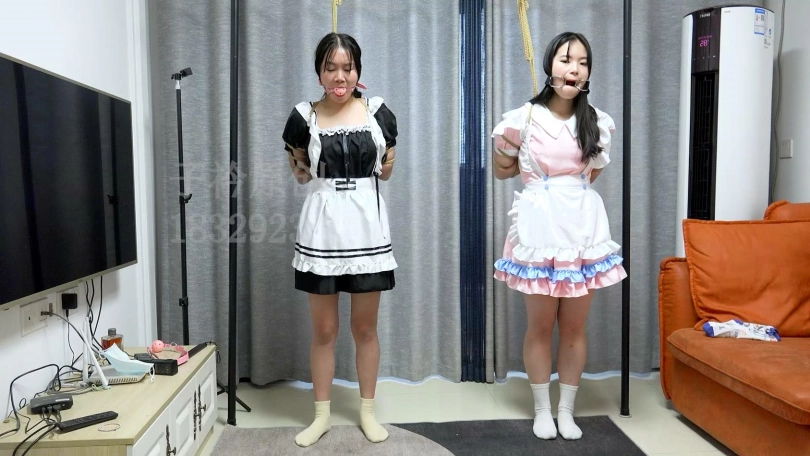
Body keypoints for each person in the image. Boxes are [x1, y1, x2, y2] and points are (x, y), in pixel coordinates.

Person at [491, 32, 627, 440]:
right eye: (567, 60)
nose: (574, 69)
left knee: (573, 327)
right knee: (540, 325)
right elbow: (502, 170)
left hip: (582, 229)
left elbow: (589, 176)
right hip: (539, 229)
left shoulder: (597, 122)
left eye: (583, 62)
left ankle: (566, 410)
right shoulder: (523, 119)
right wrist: (512, 155)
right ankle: (542, 410)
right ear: (550, 64)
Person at [282, 32, 398, 447]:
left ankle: (367, 412)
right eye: (330, 67)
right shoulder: (304, 117)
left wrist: (380, 163)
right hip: (323, 228)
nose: (339, 76)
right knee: (325, 330)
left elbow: (387, 170)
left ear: (358, 71)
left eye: (347, 68)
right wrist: (302, 167)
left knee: (365, 328)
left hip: (367, 228)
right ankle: (322, 417)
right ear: (319, 72)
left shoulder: (378, 113)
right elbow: (300, 171)